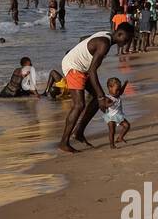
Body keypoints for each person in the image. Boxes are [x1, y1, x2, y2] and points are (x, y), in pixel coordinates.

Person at [58, 23, 136, 152]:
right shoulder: (104, 44)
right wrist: (101, 97)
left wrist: (99, 97)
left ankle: (78, 132)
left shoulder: (106, 36)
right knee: (79, 105)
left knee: (96, 99)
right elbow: (93, 71)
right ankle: (63, 142)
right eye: (127, 39)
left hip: (80, 66)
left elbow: (84, 39)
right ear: (120, 34)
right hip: (74, 67)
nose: (127, 42)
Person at [103, 76, 131, 147]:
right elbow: (105, 105)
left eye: (119, 89)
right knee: (112, 131)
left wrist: (125, 84)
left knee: (127, 125)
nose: (118, 91)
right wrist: (110, 104)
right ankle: (112, 145)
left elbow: (121, 91)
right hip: (110, 116)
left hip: (118, 115)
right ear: (110, 88)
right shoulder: (108, 97)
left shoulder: (118, 94)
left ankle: (120, 137)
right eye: (117, 89)